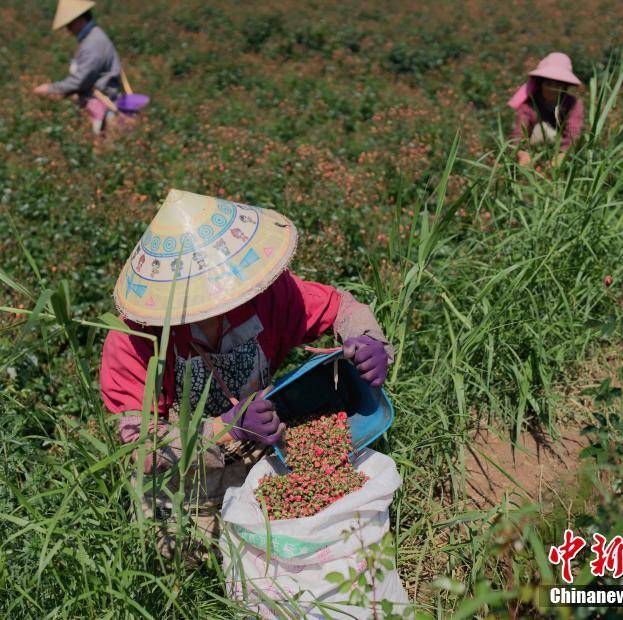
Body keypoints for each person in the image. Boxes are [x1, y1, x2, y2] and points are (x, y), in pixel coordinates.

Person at [99, 189, 393, 544]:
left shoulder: (268, 295)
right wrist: (227, 429)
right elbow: (140, 447)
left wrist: (369, 340)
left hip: (264, 427)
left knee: (312, 517)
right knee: (178, 547)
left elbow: (340, 307)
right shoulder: (134, 338)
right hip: (186, 464)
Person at [33, 0, 123, 134]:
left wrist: (51, 89)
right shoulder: (92, 38)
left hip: (104, 110)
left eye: (69, 24)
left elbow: (81, 79)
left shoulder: (93, 42)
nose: (68, 29)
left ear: (79, 19)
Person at [508, 52, 584, 166]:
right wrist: (522, 154)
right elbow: (518, 135)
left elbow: (572, 137)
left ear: (564, 86)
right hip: (532, 149)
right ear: (541, 84)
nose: (552, 89)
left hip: (560, 151)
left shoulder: (573, 104)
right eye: (548, 83)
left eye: (558, 84)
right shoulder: (529, 104)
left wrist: (561, 156)